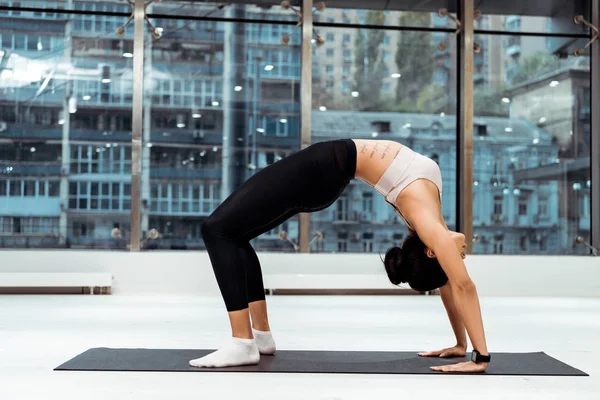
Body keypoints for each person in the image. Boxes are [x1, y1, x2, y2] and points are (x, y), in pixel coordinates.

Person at [190, 139, 490, 373]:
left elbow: (463, 287)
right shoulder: (432, 220)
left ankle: (242, 342)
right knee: (236, 235)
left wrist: (480, 357)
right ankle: (261, 337)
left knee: (216, 230)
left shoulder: (429, 226)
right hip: (326, 171)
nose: (461, 256)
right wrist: (460, 343)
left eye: (454, 258)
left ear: (431, 251)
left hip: (322, 168)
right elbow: (450, 284)